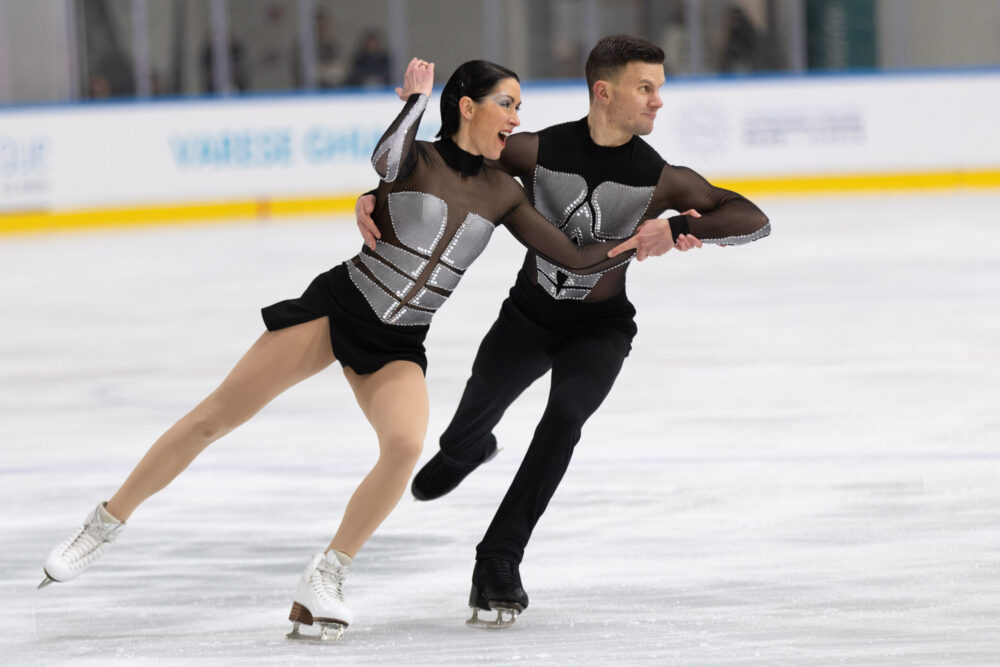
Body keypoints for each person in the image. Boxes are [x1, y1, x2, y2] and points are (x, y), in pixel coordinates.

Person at [37, 57, 636, 641]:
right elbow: (384, 158)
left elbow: (571, 254)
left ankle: (326, 574)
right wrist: (412, 105)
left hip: (399, 340)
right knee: (213, 418)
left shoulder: (504, 191)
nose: (516, 117)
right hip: (338, 308)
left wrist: (651, 235)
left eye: (521, 107)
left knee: (404, 446)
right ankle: (104, 523)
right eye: (507, 103)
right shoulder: (418, 158)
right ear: (467, 106)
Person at [355, 34, 771, 627]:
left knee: (564, 420)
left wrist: (674, 226)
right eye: (645, 89)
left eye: (659, 89)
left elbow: (753, 218)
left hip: (601, 328)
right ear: (604, 93)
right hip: (527, 316)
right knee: (475, 412)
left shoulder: (660, 178)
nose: (658, 103)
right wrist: (375, 196)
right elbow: (447, 167)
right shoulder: (535, 150)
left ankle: (498, 558)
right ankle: (465, 448)